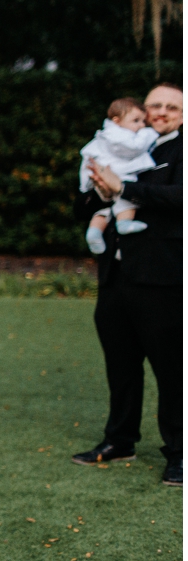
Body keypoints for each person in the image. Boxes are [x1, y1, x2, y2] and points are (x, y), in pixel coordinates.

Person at [72, 83, 182, 487]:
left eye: (173, 107)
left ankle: (180, 452)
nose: (163, 112)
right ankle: (120, 440)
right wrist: (96, 189)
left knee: (171, 370)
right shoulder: (119, 144)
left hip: (162, 278)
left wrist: (126, 189)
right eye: (155, 105)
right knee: (120, 364)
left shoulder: (179, 150)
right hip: (116, 276)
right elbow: (82, 206)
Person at [78, 98, 158, 254]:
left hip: (100, 176)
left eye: (143, 121)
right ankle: (124, 222)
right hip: (114, 172)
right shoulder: (117, 135)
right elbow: (135, 147)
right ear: (117, 121)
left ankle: (94, 231)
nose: (141, 126)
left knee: (105, 209)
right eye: (136, 121)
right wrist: (149, 133)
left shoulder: (108, 133)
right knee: (125, 199)